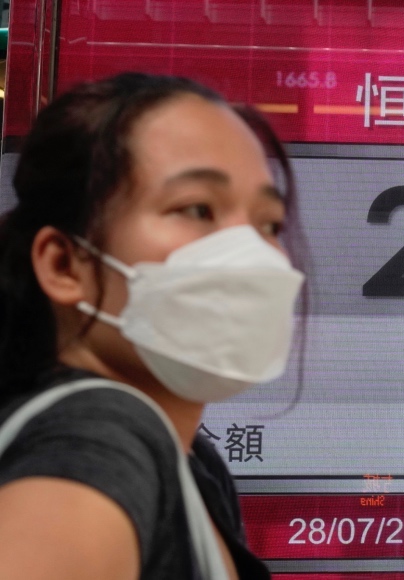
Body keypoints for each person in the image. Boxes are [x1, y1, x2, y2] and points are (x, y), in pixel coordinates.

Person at [0, 73, 306, 579]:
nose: (251, 252)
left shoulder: (191, 460)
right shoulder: (99, 444)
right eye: (197, 209)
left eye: (268, 223)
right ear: (64, 264)